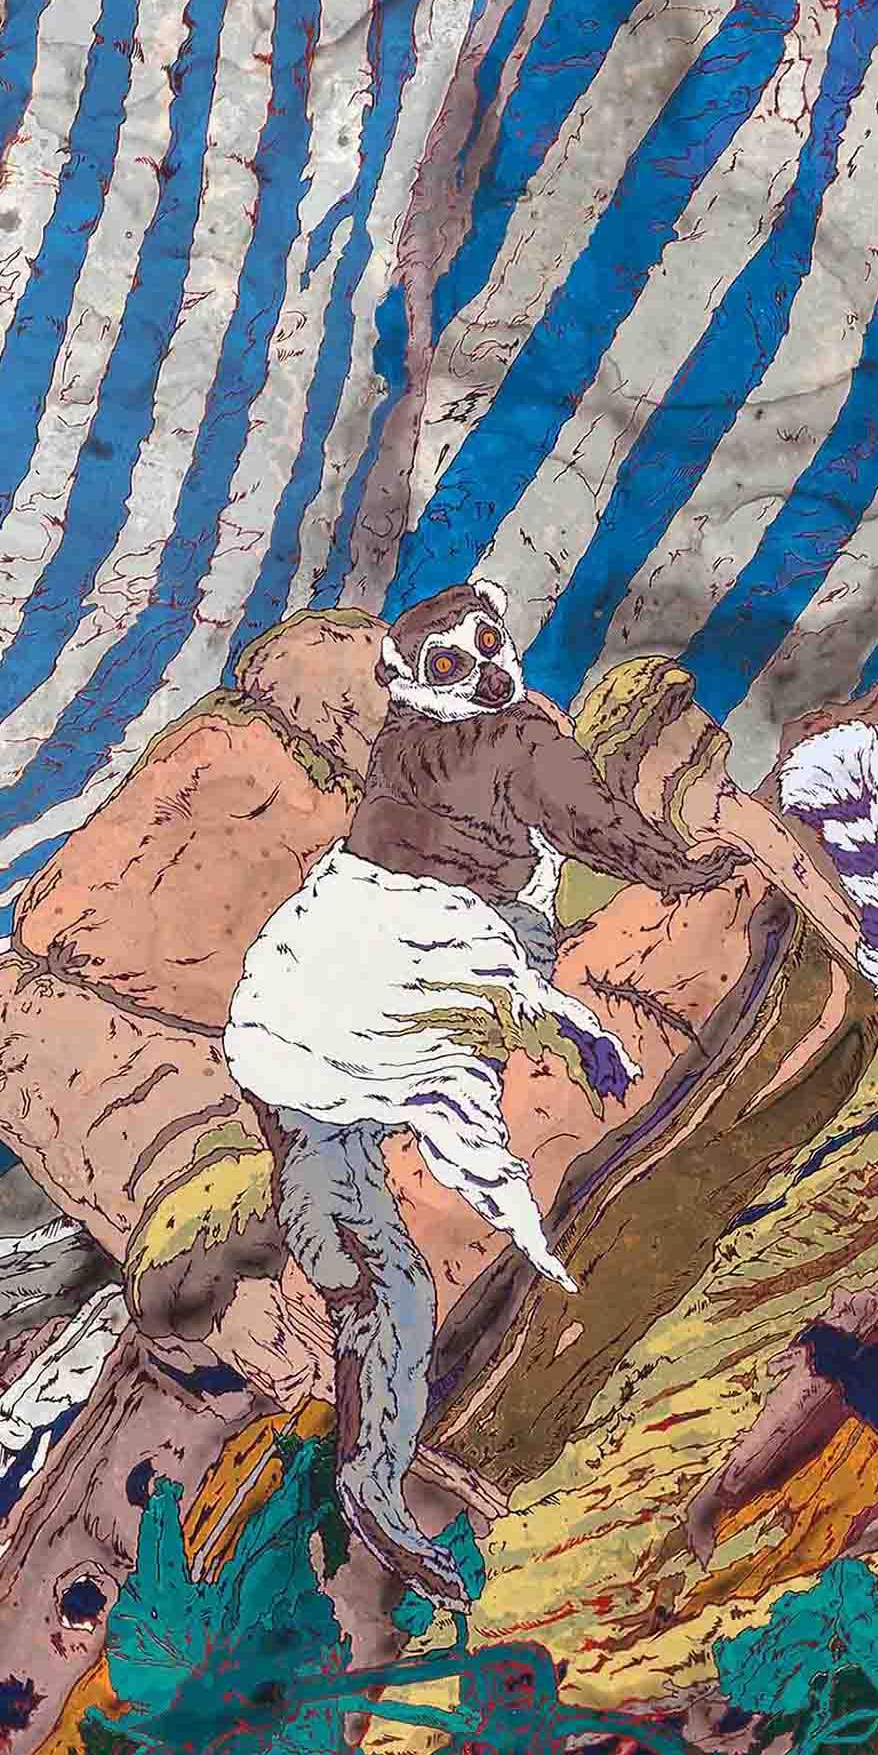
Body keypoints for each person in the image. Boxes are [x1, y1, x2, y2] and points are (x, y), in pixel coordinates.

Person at [219, 585, 732, 1595]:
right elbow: (599, 828)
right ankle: (371, 1472)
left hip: (305, 975)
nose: (489, 674)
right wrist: (683, 871)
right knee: (381, 1268)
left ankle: (371, 1464)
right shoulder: (515, 739)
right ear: (414, 682)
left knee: (363, 1251)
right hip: (408, 959)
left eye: (488, 646)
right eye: (455, 665)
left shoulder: (405, 741)